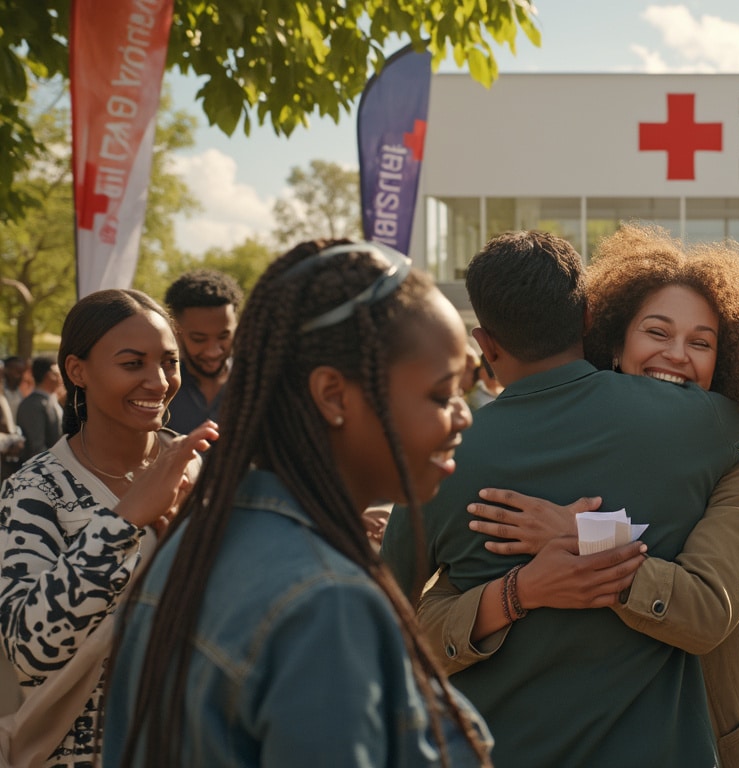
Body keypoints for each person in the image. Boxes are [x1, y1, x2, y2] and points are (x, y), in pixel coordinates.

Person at [382, 227, 739, 768]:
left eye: (701, 341)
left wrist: (585, 541)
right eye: (658, 332)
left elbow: (386, 631)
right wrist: (517, 592)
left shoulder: (441, 455)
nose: (676, 356)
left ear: (484, 345)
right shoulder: (719, 429)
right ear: (594, 324)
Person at [103, 241, 490, 767]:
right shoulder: (326, 603)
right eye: (442, 396)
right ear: (333, 394)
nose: (463, 417)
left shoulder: (198, 542)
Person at [0, 289, 213, 768]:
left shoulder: (201, 471)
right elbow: (31, 650)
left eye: (169, 362)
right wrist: (123, 521)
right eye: (132, 363)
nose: (158, 382)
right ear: (77, 371)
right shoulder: (35, 491)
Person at [162, 270, 243, 434]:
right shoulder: (159, 386)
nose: (213, 352)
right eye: (199, 339)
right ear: (176, 332)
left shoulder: (255, 385)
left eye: (224, 336)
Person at [15, 356, 63, 464]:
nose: (60, 378)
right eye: (56, 374)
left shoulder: (50, 400)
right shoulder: (33, 404)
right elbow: (36, 447)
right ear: (47, 375)